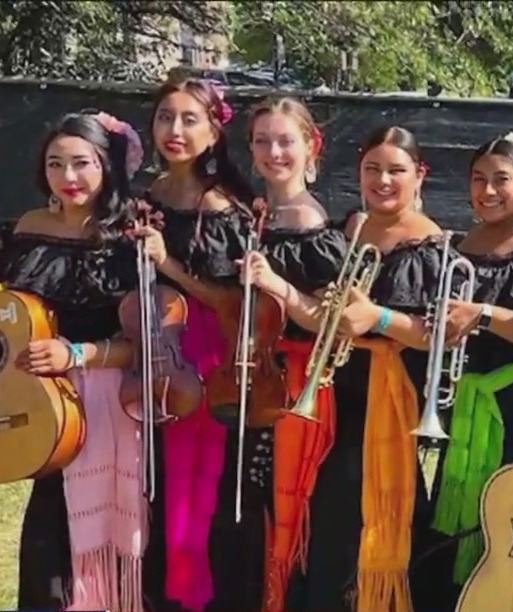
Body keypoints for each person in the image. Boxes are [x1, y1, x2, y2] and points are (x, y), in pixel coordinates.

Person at [280, 125, 457, 612]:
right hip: (338, 393)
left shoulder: (433, 245)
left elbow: (438, 334)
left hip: (396, 399)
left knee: (375, 518)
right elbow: (325, 318)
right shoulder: (348, 231)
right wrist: (278, 286)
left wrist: (378, 318)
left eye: (396, 171)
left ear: (419, 175)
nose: (383, 180)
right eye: (372, 169)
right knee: (329, 523)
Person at [4, 111, 141, 611]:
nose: (69, 177)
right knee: (48, 530)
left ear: (107, 166)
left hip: (110, 402)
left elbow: (147, 344)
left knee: (109, 535)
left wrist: (76, 354)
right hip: (42, 405)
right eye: (56, 163)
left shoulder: (130, 238)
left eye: (81, 163)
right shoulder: (30, 227)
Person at [136, 76, 257, 610]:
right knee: (152, 485)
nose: (175, 130)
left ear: (214, 131)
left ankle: (194, 596)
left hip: (203, 356)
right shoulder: (148, 195)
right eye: (166, 117)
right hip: (151, 347)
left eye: (189, 119)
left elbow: (230, 303)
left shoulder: (224, 207)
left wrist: (169, 266)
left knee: (195, 488)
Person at [430, 131, 513, 585]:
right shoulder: (472, 238)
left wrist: (482, 314)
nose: (487, 191)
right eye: (478, 179)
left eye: (501, 180)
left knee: (505, 510)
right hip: (467, 394)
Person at [230, 95, 348, 612]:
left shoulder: (312, 224)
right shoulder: (255, 214)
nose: (273, 151)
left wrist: (276, 284)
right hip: (254, 377)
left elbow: (329, 322)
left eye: (285, 140)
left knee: (291, 515)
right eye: (262, 141)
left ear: (310, 146)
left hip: (299, 382)